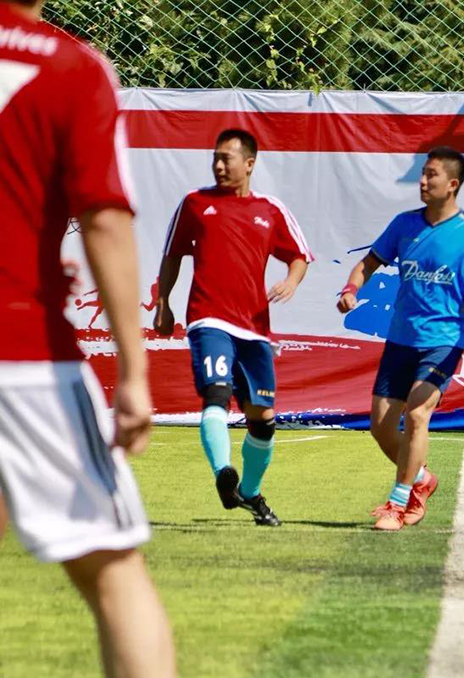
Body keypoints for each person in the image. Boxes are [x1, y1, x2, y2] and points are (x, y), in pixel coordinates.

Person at [0, 2, 176, 676]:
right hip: (25, 358)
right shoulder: (71, 67)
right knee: (113, 571)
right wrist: (134, 373)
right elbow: (104, 218)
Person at [338, 147, 464, 531]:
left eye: (431, 175)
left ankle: (398, 504)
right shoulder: (403, 225)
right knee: (381, 428)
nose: (423, 181)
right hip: (401, 340)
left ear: (452, 184)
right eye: (422, 173)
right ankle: (422, 479)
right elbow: (367, 264)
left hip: (443, 340)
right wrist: (351, 289)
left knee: (417, 415)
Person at [154, 128, 313, 527]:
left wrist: (291, 281)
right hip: (208, 318)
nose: (219, 165)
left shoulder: (270, 209)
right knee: (216, 394)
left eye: (227, 158)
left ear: (250, 163)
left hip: (254, 328)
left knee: (263, 417)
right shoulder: (195, 203)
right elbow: (172, 254)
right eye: (216, 158)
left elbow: (300, 256)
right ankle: (224, 472)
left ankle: (252, 494)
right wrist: (163, 304)